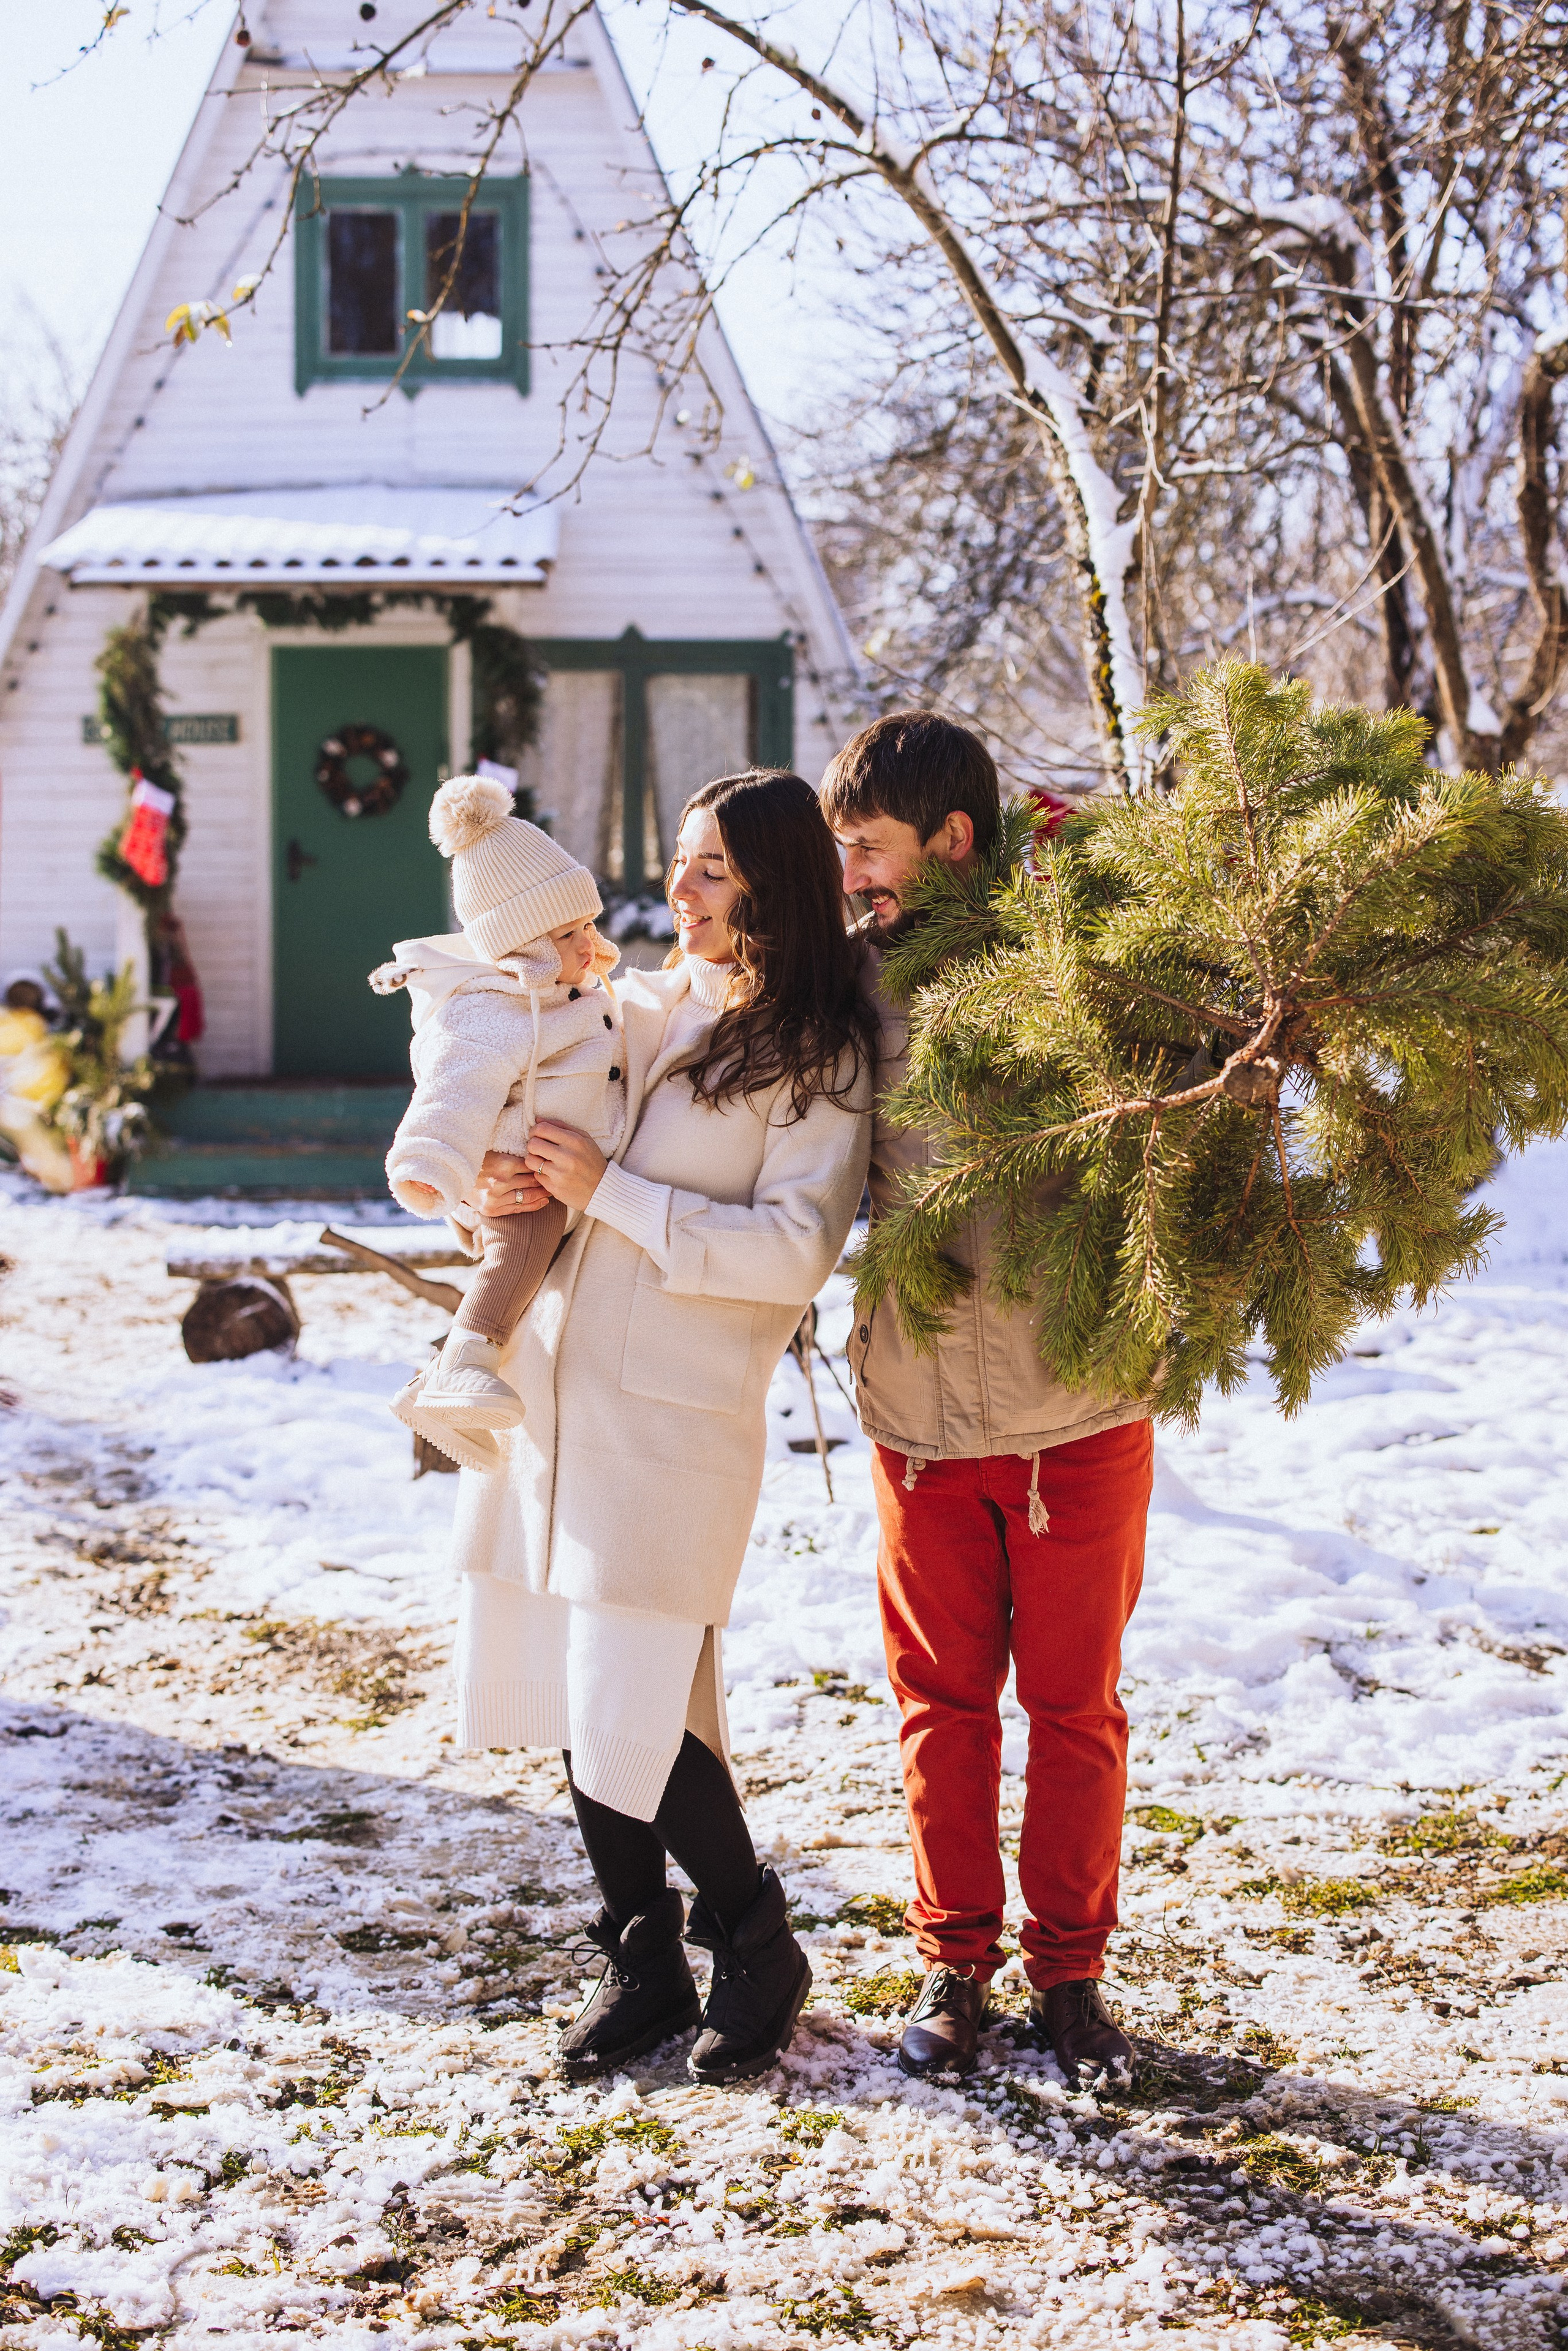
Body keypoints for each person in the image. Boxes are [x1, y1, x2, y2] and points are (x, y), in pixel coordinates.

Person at [451, 769, 876, 2085]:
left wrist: (616, 1192)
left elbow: (793, 1252)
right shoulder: (646, 1008)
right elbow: (547, 1118)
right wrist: (500, 1182)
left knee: (636, 1694)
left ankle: (757, 1937)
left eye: (706, 870)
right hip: (566, 1388)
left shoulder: (820, 1059)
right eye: (682, 864)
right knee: (583, 1692)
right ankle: (642, 1962)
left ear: (770, 886)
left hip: (679, 1415)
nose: (676, 892)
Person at [821, 712, 1154, 2089]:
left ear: (955, 841)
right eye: (841, 853)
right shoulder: (849, 988)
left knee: (1072, 1708)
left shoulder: (1072, 961)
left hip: (1077, 1407)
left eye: (871, 850)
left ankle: (1070, 1976)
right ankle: (952, 1961)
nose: (853, 877)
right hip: (920, 1412)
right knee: (938, 1704)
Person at [372, 773, 627, 1470]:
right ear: (523, 946)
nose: (589, 943)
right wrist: (433, 1169)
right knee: (525, 1240)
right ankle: (461, 1362)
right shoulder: (491, 1010)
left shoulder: (571, 995)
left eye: (588, 925)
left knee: (529, 1273)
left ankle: (445, 1394)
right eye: (569, 933)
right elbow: (454, 1089)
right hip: (524, 1174)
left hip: (561, 1175)